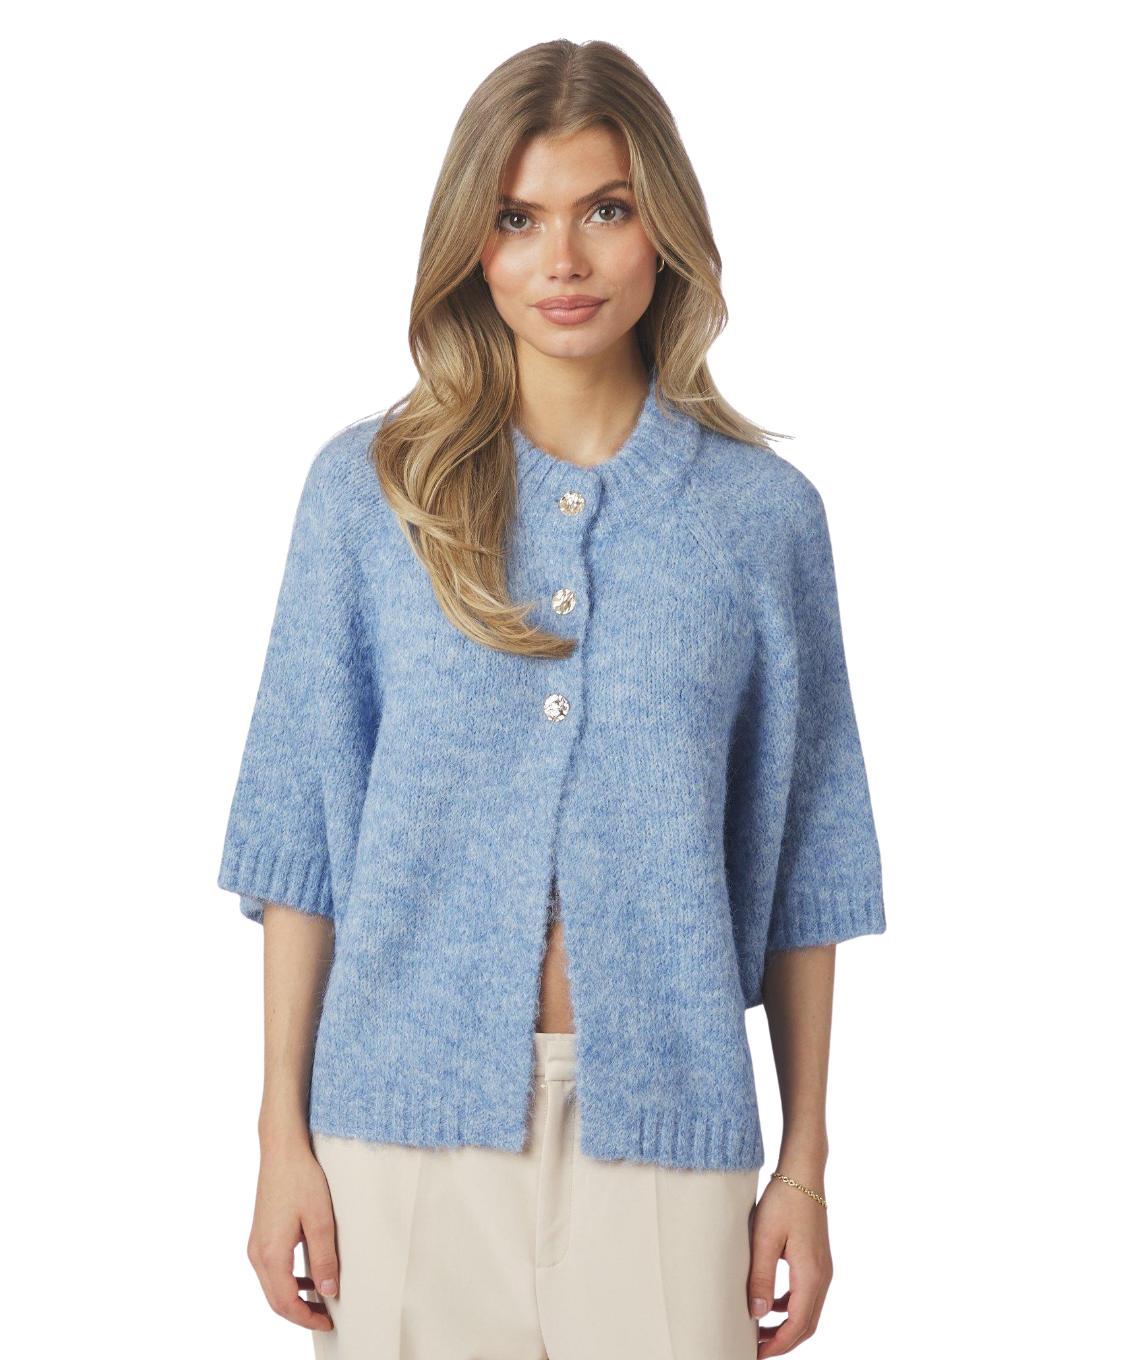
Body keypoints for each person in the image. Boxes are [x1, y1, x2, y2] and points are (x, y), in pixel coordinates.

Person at [218, 38, 886, 1360]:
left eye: (606, 210)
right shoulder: (371, 495)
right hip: (396, 1139)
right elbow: (301, 841)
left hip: (670, 1139)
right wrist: (278, 1137)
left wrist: (804, 1168)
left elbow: (809, 864)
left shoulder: (762, 521)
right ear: (471, 246)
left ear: (666, 231)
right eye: (518, 218)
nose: (562, 261)